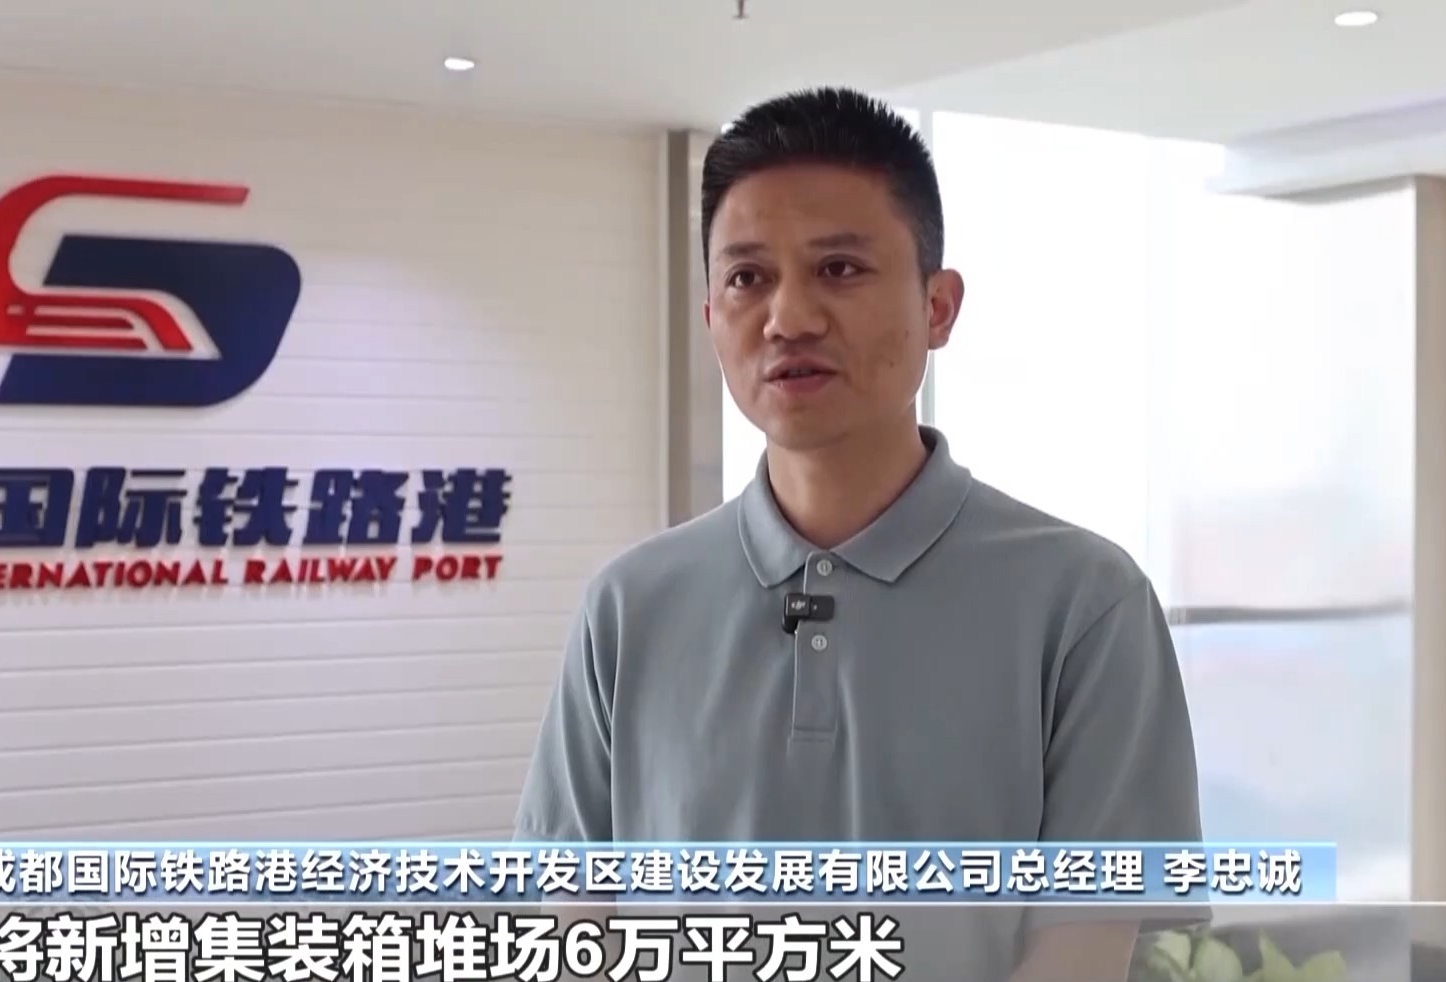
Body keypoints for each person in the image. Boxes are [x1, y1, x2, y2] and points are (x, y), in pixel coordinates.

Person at [513, 88, 1204, 981]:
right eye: (747, 278)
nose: (789, 318)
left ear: (938, 307)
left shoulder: (1083, 604)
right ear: (711, 316)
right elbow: (575, 924)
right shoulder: (629, 607)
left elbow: (1086, 950)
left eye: (838, 269)